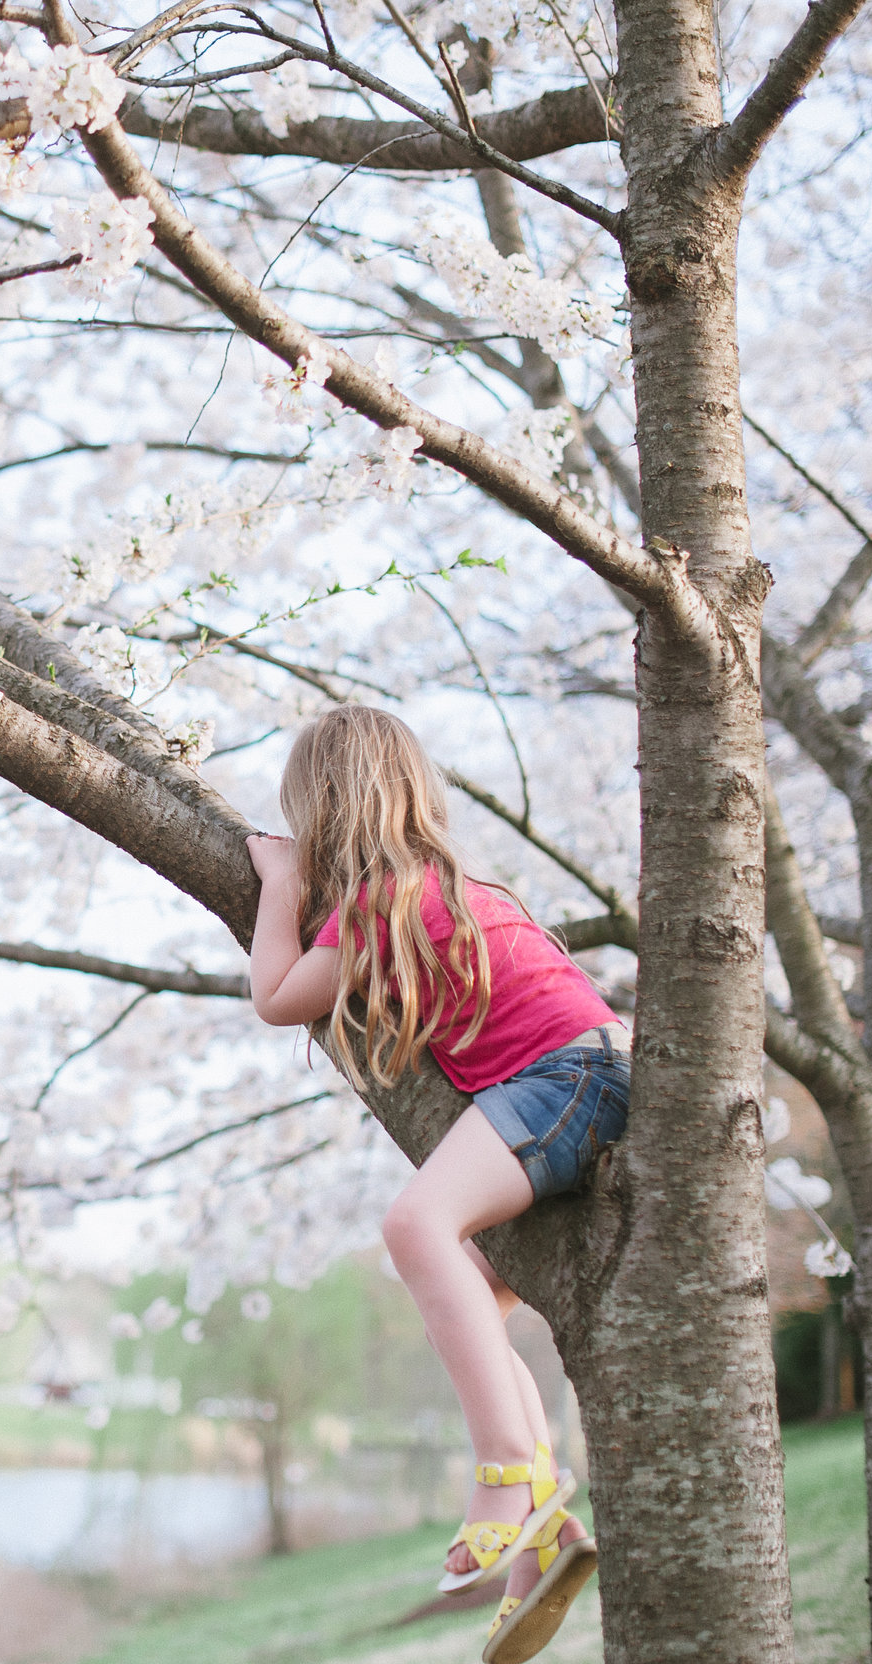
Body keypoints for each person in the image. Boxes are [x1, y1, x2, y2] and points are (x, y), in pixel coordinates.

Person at [245, 704, 626, 1664]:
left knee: (418, 1228)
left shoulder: (378, 901)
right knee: (476, 1300)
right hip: (591, 1073)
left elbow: (276, 997)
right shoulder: (443, 887)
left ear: (327, 810)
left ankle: (505, 1469)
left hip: (566, 1077)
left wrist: (280, 881)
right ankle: (548, 1534)